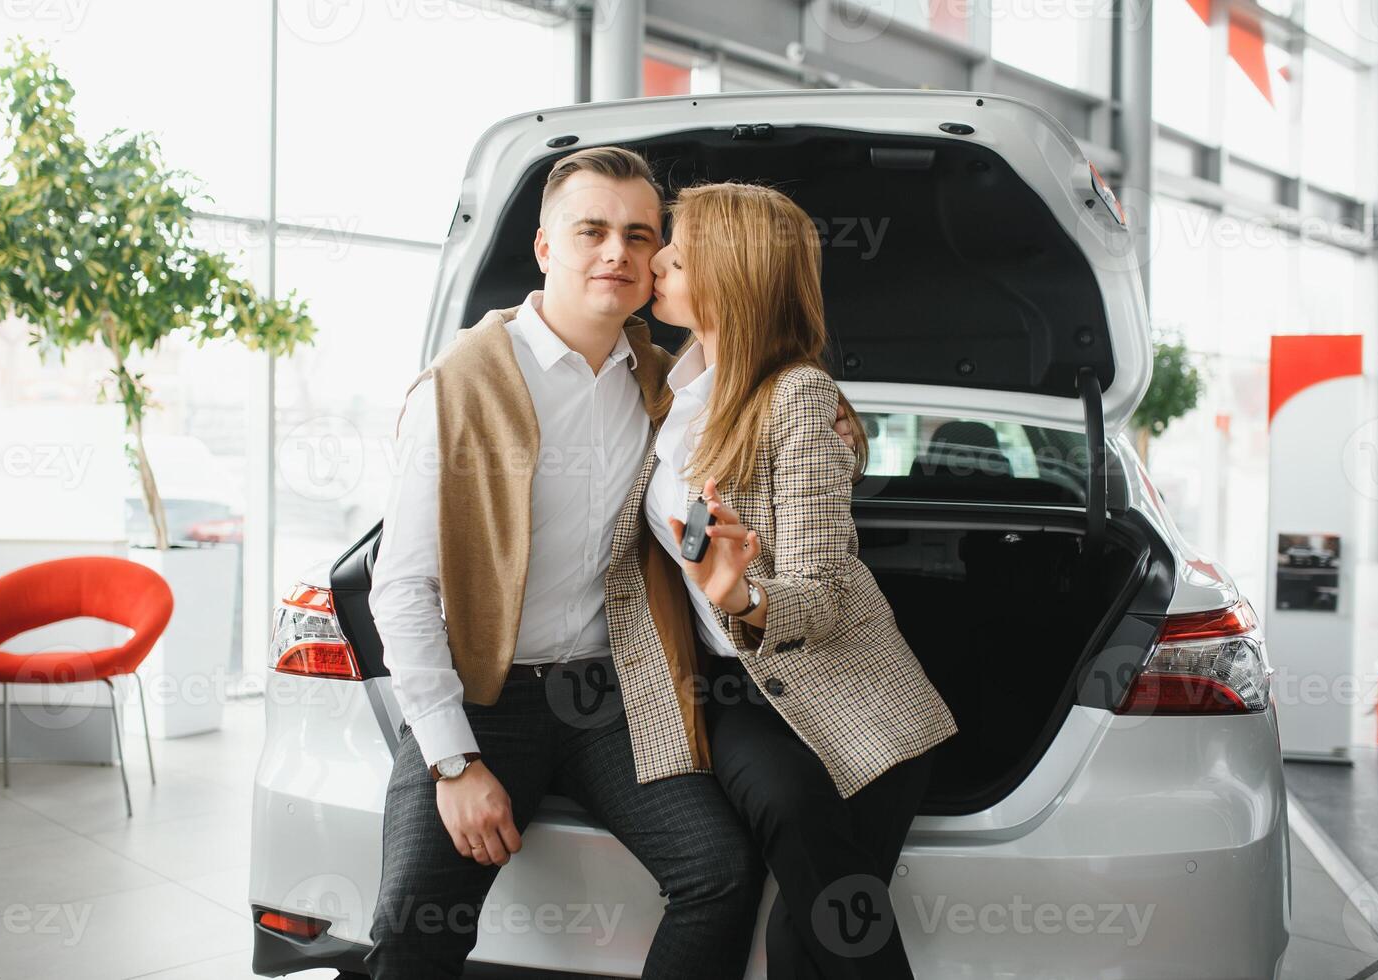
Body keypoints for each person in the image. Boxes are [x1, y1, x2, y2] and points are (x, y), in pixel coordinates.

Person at [365, 147, 855, 979]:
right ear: (545, 247)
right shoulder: (461, 384)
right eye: (591, 230)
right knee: (414, 923)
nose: (618, 254)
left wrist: (841, 416)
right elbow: (403, 588)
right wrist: (455, 762)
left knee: (720, 873)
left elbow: (777, 421)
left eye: (640, 235)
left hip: (611, 697)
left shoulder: (670, 386)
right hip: (485, 696)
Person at [604, 181, 960, 980]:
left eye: (677, 253)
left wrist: (743, 597)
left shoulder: (797, 398)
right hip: (736, 696)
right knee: (808, 898)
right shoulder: (671, 391)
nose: (654, 260)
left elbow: (823, 594)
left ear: (732, 273)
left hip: (850, 696)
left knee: (811, 935)